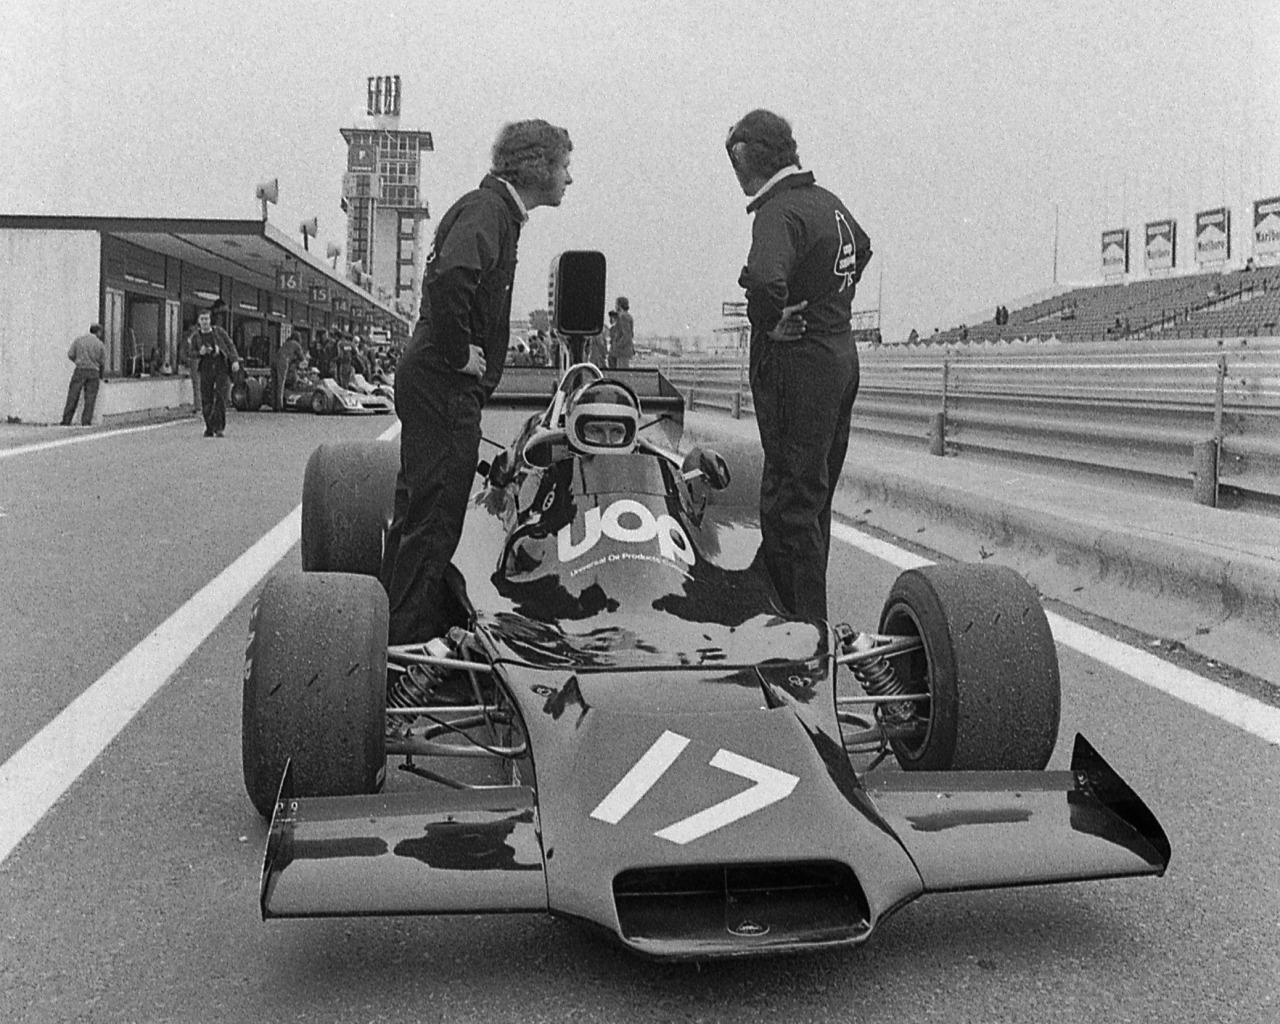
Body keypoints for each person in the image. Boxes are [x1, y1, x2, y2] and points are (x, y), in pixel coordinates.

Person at [381, 118, 573, 645]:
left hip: (434, 383)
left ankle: (387, 628)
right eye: (563, 166)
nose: (568, 179)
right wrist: (457, 350)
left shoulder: (494, 212)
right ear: (537, 166)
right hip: (442, 383)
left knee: (420, 510)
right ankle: (410, 647)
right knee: (437, 517)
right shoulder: (489, 211)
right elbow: (451, 278)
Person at [725, 108, 872, 621]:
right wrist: (828, 297)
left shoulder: (779, 211)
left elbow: (766, 281)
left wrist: (769, 321)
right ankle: (807, 610)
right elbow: (864, 247)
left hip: (799, 366)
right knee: (814, 499)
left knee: (789, 502)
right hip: (840, 356)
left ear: (744, 156)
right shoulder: (827, 202)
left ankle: (798, 631)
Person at [190, 307, 241, 437]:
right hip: (206, 368)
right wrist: (199, 353)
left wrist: (234, 360)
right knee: (206, 398)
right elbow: (188, 354)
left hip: (221, 367)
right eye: (202, 319)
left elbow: (230, 345)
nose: (205, 322)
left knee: (221, 397)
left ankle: (219, 428)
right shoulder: (196, 337)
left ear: (210, 319)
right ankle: (209, 426)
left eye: (207, 318)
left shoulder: (219, 332)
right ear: (198, 321)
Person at [61, 324, 106, 426]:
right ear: (98, 332)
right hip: (93, 371)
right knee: (90, 397)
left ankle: (66, 420)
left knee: (73, 395)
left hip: (80, 370)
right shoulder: (100, 344)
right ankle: (86, 421)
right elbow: (102, 361)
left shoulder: (79, 340)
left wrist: (78, 361)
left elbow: (70, 354)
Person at [273, 332, 306, 410]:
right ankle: (279, 406)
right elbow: (302, 358)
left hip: (274, 360)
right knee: (281, 383)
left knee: (275, 383)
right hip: (283, 361)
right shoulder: (296, 345)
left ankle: (274, 404)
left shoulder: (286, 343)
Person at [179, 320, 203, 417]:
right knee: (198, 385)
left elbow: (184, 354)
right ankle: (199, 406)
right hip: (196, 362)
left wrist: (188, 359)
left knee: (197, 385)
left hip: (195, 362)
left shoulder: (194, 339)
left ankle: (198, 407)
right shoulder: (193, 339)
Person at [609, 296, 634, 368]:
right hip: (622, 351)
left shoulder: (623, 316)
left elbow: (627, 335)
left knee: (620, 372)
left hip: (621, 352)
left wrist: (618, 345)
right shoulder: (627, 316)